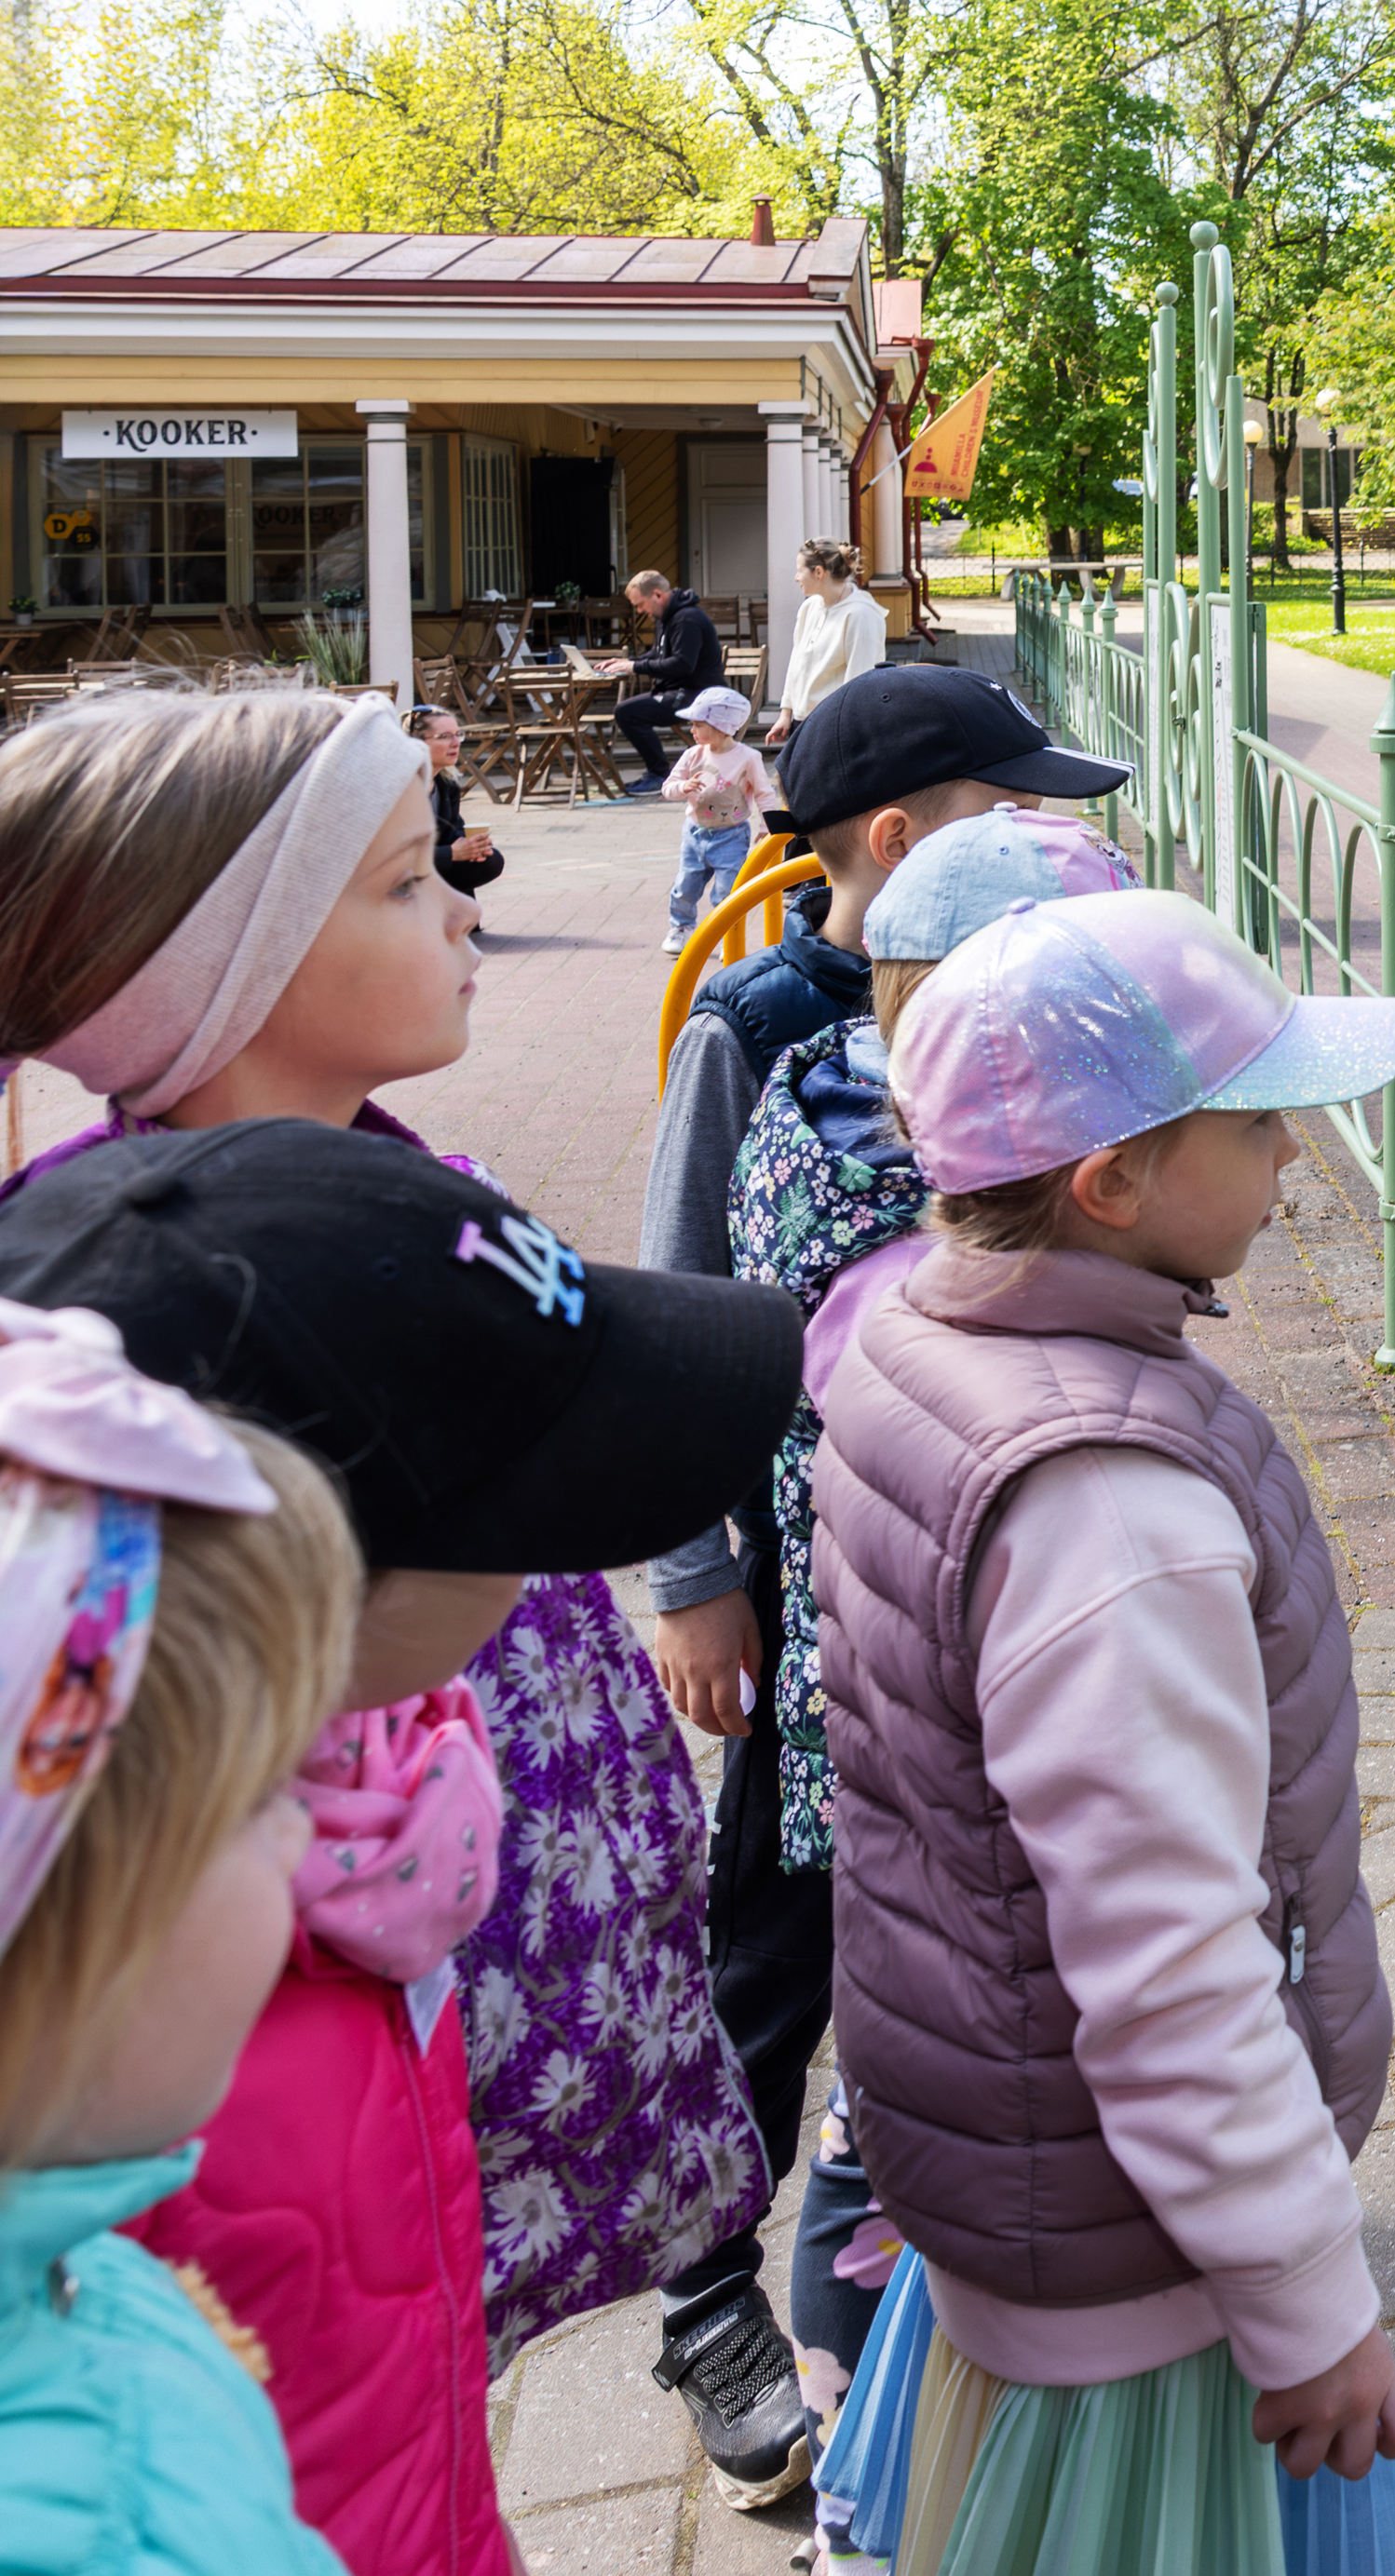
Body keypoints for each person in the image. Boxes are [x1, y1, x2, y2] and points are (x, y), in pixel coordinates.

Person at [0, 689, 784, 2496]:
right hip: (324, 1987)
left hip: (479, 1926)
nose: (464, 906)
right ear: (221, 970)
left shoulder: (430, 1193)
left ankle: (675, 2301)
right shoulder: (130, 1323)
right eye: (395, 884)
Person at [807, 890, 1395, 2572]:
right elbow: (1170, 1965)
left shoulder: (912, 1344)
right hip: (1139, 2268)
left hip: (1007, 2165)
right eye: (1253, 1118)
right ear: (1113, 1183)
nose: (1295, 1148)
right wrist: (1310, 2305)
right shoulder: (1106, 1502)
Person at [640, 664, 1130, 2489]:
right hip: (801, 1591)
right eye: (1017, 806)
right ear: (908, 840)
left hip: (977, 1591)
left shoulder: (1028, 997)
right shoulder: (758, 1022)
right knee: (766, 1952)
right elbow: (682, 1289)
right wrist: (695, 1570)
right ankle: (705, 2294)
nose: (1053, 829)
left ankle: (929, 2256)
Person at [0, 1314, 359, 2576]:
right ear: (68, 1923)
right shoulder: (108, 2528)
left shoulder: (65, 2265)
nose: (304, 1830)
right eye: (264, 1790)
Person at [661, 685, 779, 953]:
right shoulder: (693, 755)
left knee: (728, 890)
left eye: (697, 724)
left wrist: (766, 827)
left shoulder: (748, 758)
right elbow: (668, 787)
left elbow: (764, 794)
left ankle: (728, 935)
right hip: (694, 833)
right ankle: (681, 928)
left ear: (720, 726)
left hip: (731, 835)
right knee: (685, 886)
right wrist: (683, 788)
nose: (692, 730)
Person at [617, 568, 730, 794]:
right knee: (627, 711)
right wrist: (626, 663)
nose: (640, 611)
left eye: (641, 604)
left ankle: (659, 774)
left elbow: (682, 664)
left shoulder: (688, 619)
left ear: (657, 595)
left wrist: (635, 667)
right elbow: (657, 656)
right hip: (682, 691)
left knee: (628, 713)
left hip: (700, 695)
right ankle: (658, 772)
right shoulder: (666, 618)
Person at [770, 540, 889, 747]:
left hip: (835, 729)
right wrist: (786, 713)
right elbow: (796, 663)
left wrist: (838, 734)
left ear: (818, 572)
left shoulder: (861, 615)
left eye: (800, 570)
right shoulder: (809, 608)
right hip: (802, 724)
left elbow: (859, 683)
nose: (796, 577)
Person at [408, 701, 501, 897]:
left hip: (430, 862)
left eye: (458, 735)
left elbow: (453, 829)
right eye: (445, 737)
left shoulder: (445, 783)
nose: (456, 743)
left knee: (490, 861)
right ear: (417, 743)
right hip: (396, 869)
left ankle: (461, 919)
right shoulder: (401, 788)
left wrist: (473, 845)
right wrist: (451, 854)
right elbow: (392, 854)